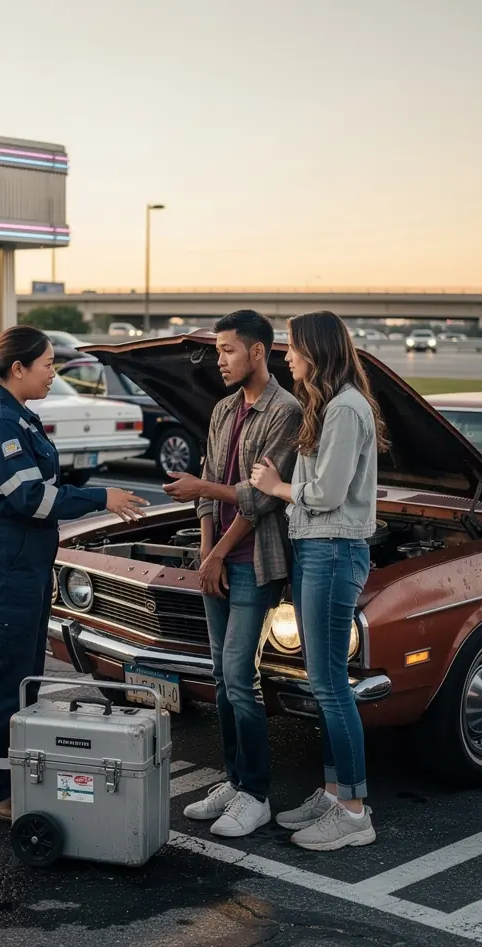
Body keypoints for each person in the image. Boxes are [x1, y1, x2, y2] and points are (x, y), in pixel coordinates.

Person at [0, 326, 148, 822]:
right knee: (5, 676)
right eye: (47, 364)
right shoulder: (2, 420)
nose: (53, 373)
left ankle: (8, 776)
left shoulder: (20, 415)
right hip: (6, 555)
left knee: (22, 672)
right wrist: (100, 498)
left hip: (21, 556)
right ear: (18, 368)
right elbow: (33, 498)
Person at [250, 310, 388, 851]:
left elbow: (326, 495)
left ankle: (354, 813)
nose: (286, 356)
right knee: (323, 680)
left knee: (331, 685)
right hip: (318, 549)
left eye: (292, 347)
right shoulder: (330, 404)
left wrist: (276, 486)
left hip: (333, 551)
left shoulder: (346, 408)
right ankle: (335, 794)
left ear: (317, 351)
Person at [163, 310, 301, 837]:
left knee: (242, 679)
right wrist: (205, 553)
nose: (218, 359)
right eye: (218, 350)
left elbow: (260, 496)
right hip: (218, 561)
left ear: (258, 352)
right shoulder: (222, 410)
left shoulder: (285, 412)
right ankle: (235, 779)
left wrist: (220, 551)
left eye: (227, 350)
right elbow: (208, 480)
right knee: (221, 678)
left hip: (254, 564)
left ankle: (257, 794)